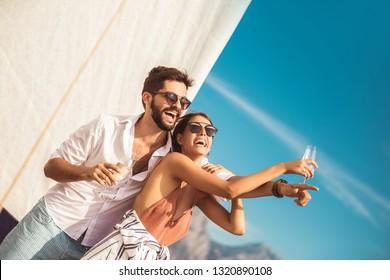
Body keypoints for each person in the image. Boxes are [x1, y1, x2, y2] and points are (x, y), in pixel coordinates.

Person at [0, 66, 207, 260]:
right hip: (49, 224)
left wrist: (221, 172)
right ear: (147, 98)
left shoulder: (171, 157)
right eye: (171, 97)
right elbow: (52, 167)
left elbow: (203, 164)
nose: (178, 106)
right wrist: (87, 173)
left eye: (184, 102)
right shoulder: (106, 126)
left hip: (93, 250)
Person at [81, 112, 319, 260]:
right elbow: (230, 189)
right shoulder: (174, 163)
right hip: (118, 255)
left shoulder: (201, 193)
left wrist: (282, 189)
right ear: (181, 138)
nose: (203, 132)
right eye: (195, 128)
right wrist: (283, 167)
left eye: (210, 130)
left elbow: (237, 228)